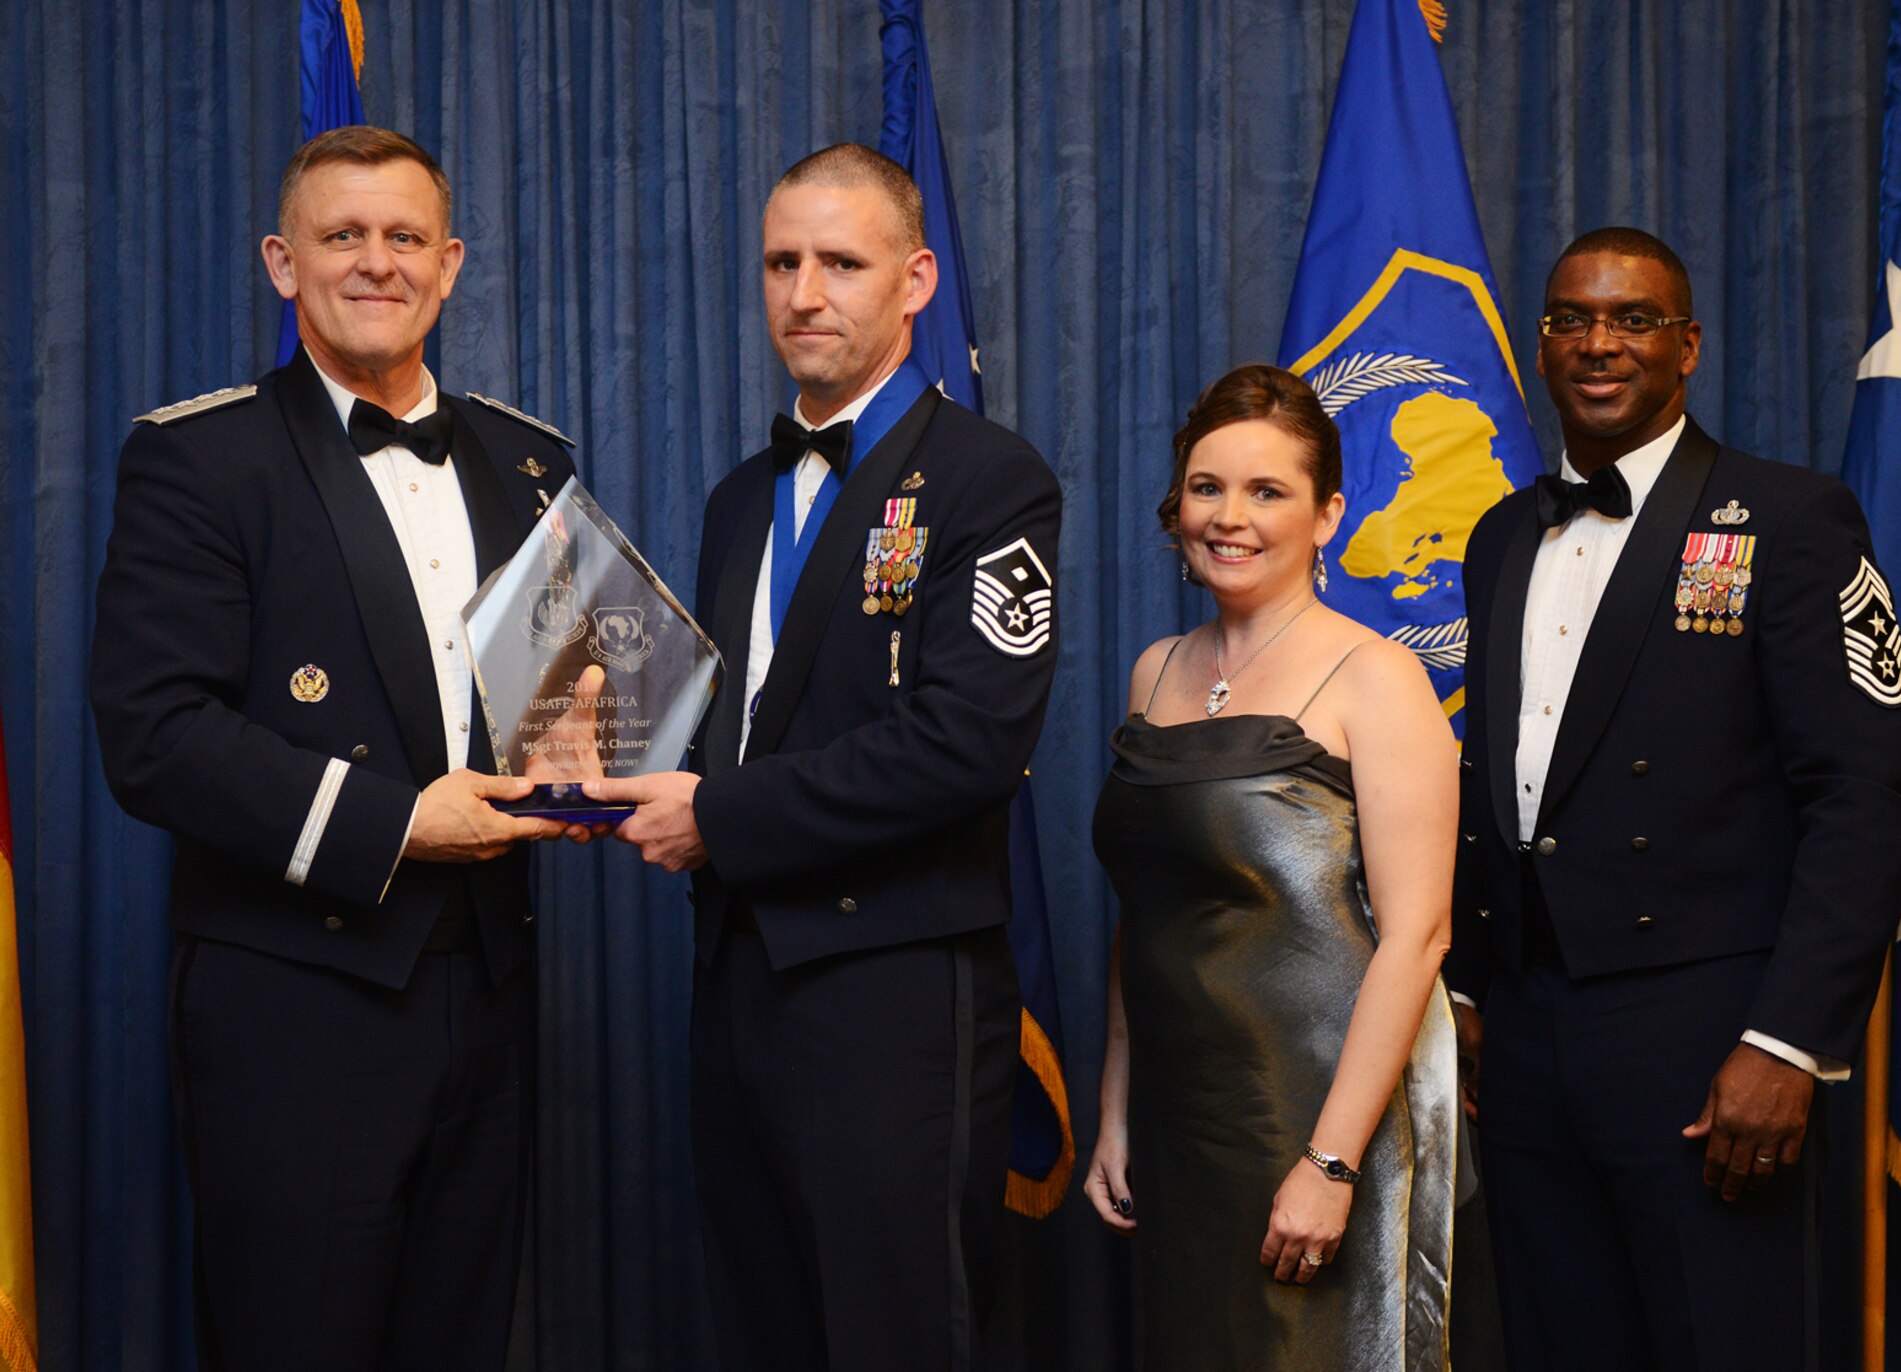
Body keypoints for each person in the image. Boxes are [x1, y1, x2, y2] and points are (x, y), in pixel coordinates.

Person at [90, 126, 577, 1371]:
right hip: (293, 999)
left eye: (404, 237)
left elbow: (562, 706)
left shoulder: (530, 463)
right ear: (281, 262)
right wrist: (402, 822)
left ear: (451, 261)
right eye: (341, 236)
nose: (375, 262)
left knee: (460, 1339)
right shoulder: (199, 457)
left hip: (493, 983)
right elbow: (154, 736)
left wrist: (623, 762)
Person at [584, 143, 1062, 1370]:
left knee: (895, 1332)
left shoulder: (988, 479)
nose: (804, 292)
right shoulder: (738, 499)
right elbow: (735, 727)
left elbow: (965, 744)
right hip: (738, 968)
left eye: (839, 263)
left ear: (913, 280)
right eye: (780, 262)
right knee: (766, 1322)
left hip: (894, 981)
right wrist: (595, 750)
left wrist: (717, 816)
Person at [1449, 228, 1901, 1370]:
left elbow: (1862, 798)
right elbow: (1499, 783)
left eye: (1631, 319)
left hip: (1708, 1039)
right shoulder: (1500, 534)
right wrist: (1469, 989)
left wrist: (1787, 1041)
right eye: (1570, 319)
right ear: (1541, 343)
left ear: (1686, 345)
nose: (1597, 343)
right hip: (1524, 1034)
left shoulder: (1790, 520)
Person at [1084, 364, 1459, 1370]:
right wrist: (1114, 1112)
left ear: (1327, 512)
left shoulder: (1376, 676)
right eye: (1207, 487)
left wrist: (1331, 1163)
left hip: (1317, 1112)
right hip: (1179, 1119)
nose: (1228, 517)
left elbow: (1418, 932)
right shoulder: (1154, 671)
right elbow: (1145, 911)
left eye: (1266, 491)